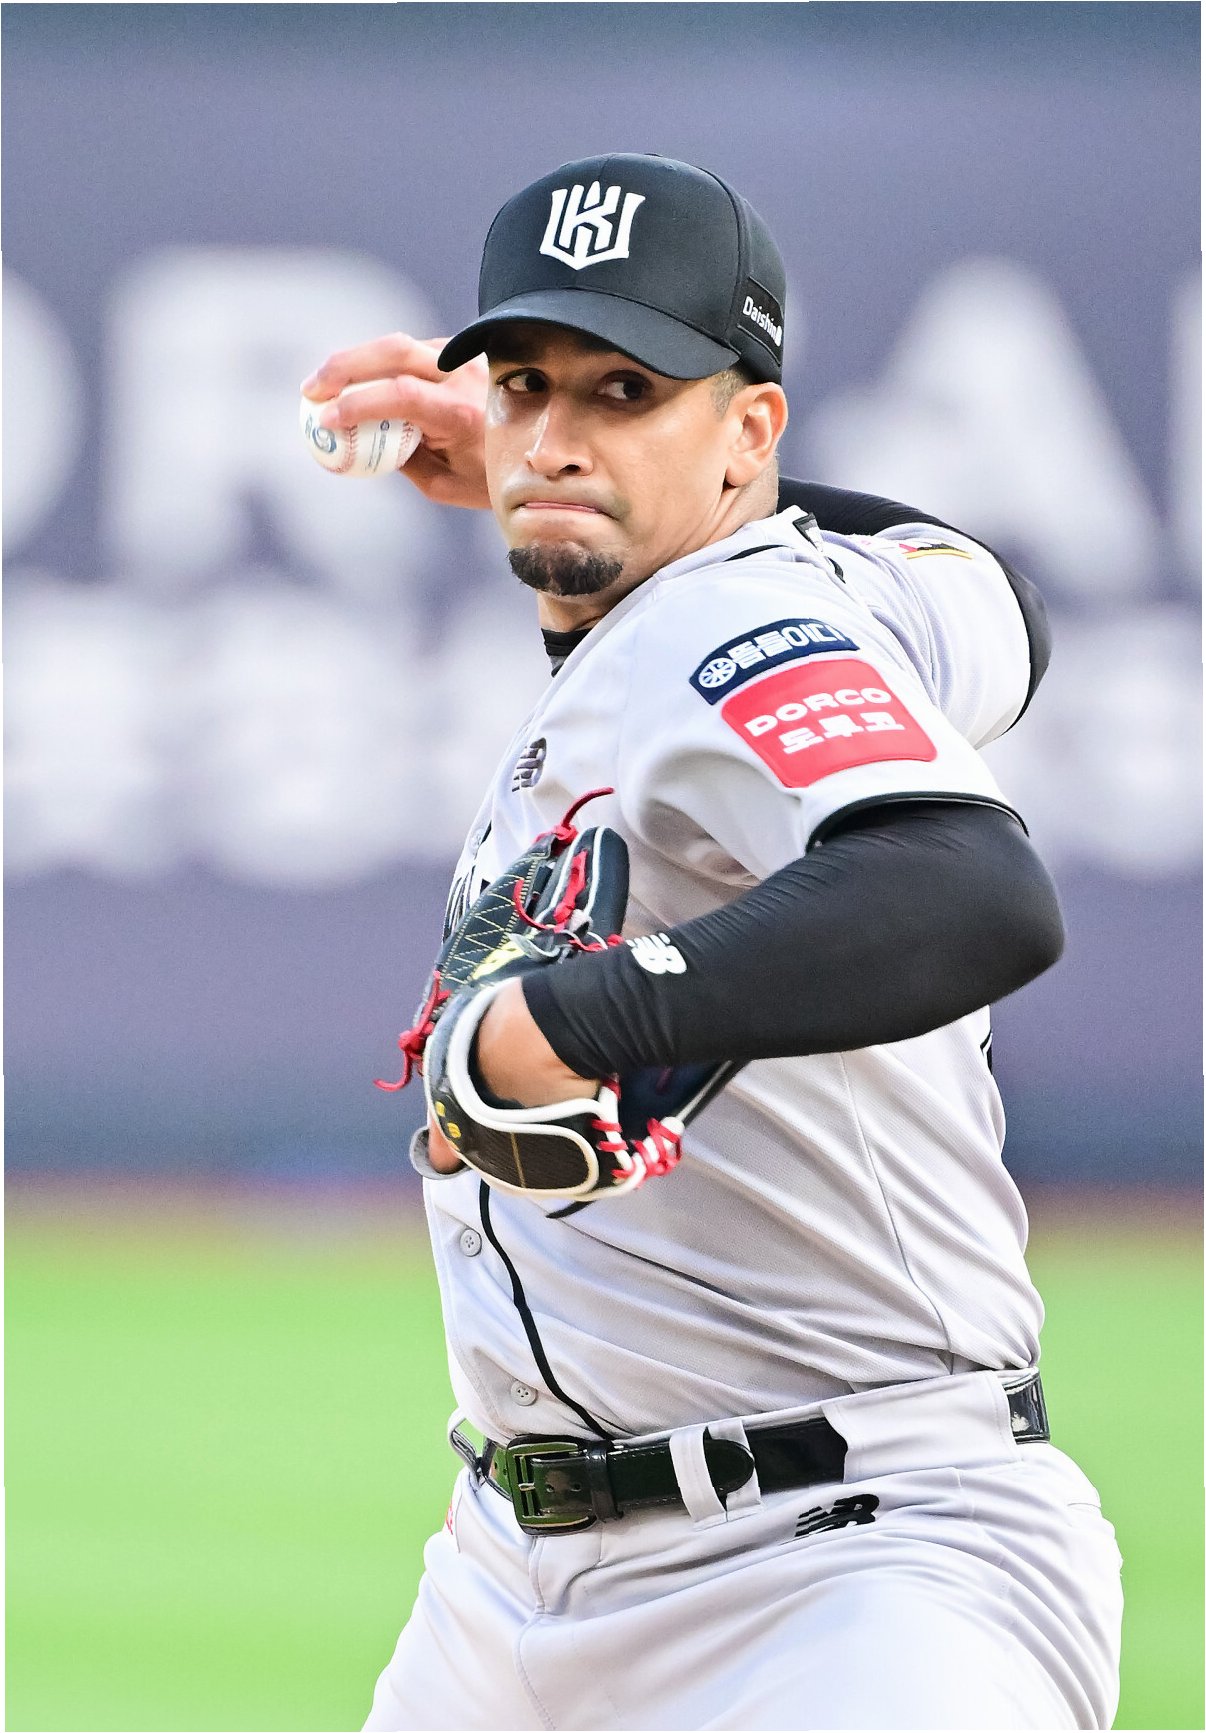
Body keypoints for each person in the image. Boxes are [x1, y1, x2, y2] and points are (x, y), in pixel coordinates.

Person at [303, 154, 1122, 1732]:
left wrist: (578, 1018)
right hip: (512, 1578)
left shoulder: (717, 625)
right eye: (525, 385)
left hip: (846, 1574)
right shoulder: (838, 592)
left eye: (625, 392)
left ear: (751, 433)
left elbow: (968, 885)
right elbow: (995, 594)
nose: (557, 438)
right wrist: (580, 465)